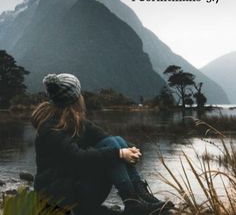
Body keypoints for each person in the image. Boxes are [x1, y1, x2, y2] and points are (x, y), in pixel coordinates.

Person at [32, 73, 174, 215]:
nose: (82, 96)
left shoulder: (74, 121)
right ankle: (132, 201)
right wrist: (119, 153)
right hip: (58, 199)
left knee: (116, 140)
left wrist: (130, 148)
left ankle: (140, 196)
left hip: (71, 189)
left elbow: (106, 137)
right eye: (80, 93)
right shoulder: (50, 128)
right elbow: (77, 158)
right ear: (74, 99)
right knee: (113, 150)